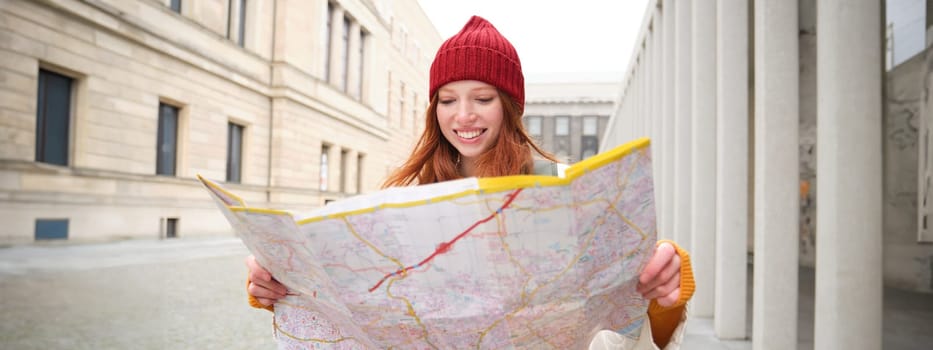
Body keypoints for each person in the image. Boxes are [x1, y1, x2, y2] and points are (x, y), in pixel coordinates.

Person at [245, 15, 695, 350]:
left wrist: (667, 296)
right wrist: (278, 283)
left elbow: (640, 333)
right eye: (447, 99)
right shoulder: (403, 202)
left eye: (482, 98)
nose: (463, 116)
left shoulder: (565, 195)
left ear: (510, 108)